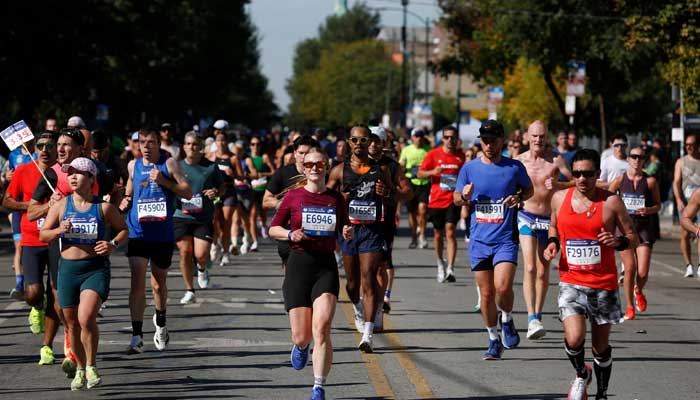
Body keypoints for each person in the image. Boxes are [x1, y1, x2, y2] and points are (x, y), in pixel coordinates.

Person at [543, 149, 638, 400]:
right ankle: (580, 373)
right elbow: (553, 224)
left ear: (597, 174)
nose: (582, 179)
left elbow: (633, 237)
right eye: (577, 174)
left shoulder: (611, 203)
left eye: (587, 174)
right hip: (571, 279)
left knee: (600, 347)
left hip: (603, 284)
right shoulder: (559, 198)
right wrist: (552, 242)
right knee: (574, 339)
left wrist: (617, 243)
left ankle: (602, 393)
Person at [270, 148, 352, 400]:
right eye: (310, 165)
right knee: (302, 334)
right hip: (298, 265)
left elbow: (344, 226)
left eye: (320, 164)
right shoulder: (293, 197)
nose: (315, 168)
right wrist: (290, 234)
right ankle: (300, 346)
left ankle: (318, 386)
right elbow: (273, 228)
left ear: (326, 168)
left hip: (325, 266)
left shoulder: (336, 198)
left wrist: (347, 231)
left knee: (322, 328)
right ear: (304, 169)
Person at [40, 157, 129, 390]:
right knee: (71, 325)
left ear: (91, 178)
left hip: (94, 268)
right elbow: (43, 235)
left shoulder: (104, 207)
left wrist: (112, 245)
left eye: (79, 173)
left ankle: (91, 365)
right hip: (68, 270)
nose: (72, 176)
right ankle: (79, 368)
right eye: (70, 173)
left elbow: (123, 230)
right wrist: (60, 230)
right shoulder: (60, 206)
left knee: (86, 318)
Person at [454, 119, 533, 360]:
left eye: (493, 140)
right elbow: (457, 198)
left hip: (505, 238)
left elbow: (528, 190)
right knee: (486, 294)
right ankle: (492, 338)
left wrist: (518, 196)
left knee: (502, 287)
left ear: (502, 141)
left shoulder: (514, 167)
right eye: (484, 140)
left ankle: (507, 318)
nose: (488, 144)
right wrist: (464, 197)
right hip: (479, 240)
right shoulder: (469, 168)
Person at [120, 128, 192, 354]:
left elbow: (188, 192)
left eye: (151, 142)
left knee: (158, 283)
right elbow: (129, 193)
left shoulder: (168, 164)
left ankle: (160, 323)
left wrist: (165, 182)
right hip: (138, 231)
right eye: (143, 143)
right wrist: (123, 200)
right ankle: (137, 335)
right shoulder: (133, 165)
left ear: (158, 144)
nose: (146, 147)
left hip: (161, 233)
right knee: (137, 280)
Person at [327, 126, 391, 352]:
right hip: (348, 230)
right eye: (355, 139)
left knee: (369, 277)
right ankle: (357, 307)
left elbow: (390, 194)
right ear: (350, 142)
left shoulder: (379, 170)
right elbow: (326, 198)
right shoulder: (338, 171)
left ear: (369, 142)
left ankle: (368, 334)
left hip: (371, 231)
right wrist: (339, 199)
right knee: (352, 284)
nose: (359, 143)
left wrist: (385, 193)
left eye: (364, 139)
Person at [3, 131, 64, 366]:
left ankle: (46, 346)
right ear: (34, 148)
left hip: (58, 239)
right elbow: (6, 201)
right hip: (31, 239)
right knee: (33, 292)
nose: (46, 149)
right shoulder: (23, 171)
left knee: (56, 297)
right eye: (41, 145)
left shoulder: (64, 172)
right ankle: (36, 305)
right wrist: (28, 205)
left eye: (51, 145)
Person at [515, 121, 573, 340]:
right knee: (529, 267)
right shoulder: (519, 161)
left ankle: (537, 314)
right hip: (526, 216)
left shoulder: (556, 159)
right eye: (534, 136)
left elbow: (576, 182)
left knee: (542, 270)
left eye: (542, 136)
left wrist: (558, 186)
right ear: (527, 137)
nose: (538, 140)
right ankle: (531, 318)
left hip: (548, 220)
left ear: (546, 137)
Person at [608, 146, 660, 320]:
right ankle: (630, 306)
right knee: (630, 267)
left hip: (643, 228)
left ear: (644, 160)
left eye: (641, 157)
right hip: (624, 229)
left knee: (643, 272)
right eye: (634, 156)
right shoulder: (619, 180)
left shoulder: (650, 181)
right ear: (628, 159)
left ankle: (639, 289)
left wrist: (649, 209)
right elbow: (607, 201)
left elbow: (658, 205)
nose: (637, 160)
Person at [174, 132, 224, 304]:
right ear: (184, 146)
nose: (191, 147)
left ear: (201, 147)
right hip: (181, 215)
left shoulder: (210, 167)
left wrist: (216, 192)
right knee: (185, 252)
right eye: (188, 144)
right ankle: (190, 289)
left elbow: (222, 186)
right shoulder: (176, 166)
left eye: (195, 144)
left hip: (203, 216)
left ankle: (202, 269)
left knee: (201, 254)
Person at [368, 127, 411, 313]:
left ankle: (378, 304)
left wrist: (389, 192)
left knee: (381, 267)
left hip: (383, 223)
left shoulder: (392, 166)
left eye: (376, 140)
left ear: (383, 143)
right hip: (359, 223)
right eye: (368, 140)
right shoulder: (354, 164)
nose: (371, 144)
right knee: (360, 271)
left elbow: (408, 192)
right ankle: (364, 301)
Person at [418, 125, 465, 282]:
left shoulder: (461, 156)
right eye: (446, 137)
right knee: (438, 235)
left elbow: (467, 176)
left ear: (457, 139)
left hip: (453, 199)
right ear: (442, 139)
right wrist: (433, 172)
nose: (449, 140)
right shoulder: (433, 154)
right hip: (437, 200)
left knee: (450, 231)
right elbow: (419, 173)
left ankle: (450, 268)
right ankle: (440, 263)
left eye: (452, 137)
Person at [263, 135, 318, 268]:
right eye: (301, 153)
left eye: (308, 153)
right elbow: (266, 200)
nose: (304, 156)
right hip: (289, 231)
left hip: (315, 232)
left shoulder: (321, 174)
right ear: (294, 153)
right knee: (293, 277)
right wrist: (281, 204)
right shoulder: (283, 173)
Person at [5, 138, 37, 300]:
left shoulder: (37, 155)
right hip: (18, 208)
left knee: (31, 247)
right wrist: (7, 176)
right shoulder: (13, 155)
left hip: (36, 207)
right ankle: (19, 284)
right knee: (19, 247)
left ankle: (37, 285)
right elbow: (8, 177)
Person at [208, 130, 243, 263]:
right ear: (215, 142)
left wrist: (232, 173)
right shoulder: (210, 156)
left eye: (223, 140)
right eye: (218, 140)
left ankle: (226, 252)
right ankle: (214, 245)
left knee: (225, 223)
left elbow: (241, 176)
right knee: (213, 221)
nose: (221, 143)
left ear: (227, 142)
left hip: (228, 191)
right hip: (215, 191)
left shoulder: (233, 158)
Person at [673, 133, 700, 277]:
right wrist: (678, 199)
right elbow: (676, 182)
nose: (688, 147)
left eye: (691, 144)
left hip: (699, 202)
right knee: (685, 233)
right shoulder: (681, 162)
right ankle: (689, 265)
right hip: (686, 202)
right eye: (686, 144)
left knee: (699, 232)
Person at [399, 129, 431, 249]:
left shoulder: (428, 150)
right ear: (412, 138)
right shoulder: (406, 150)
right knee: (412, 213)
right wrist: (402, 165)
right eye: (416, 136)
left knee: (422, 210)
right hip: (410, 182)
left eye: (421, 136)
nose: (419, 138)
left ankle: (422, 235)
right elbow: (401, 164)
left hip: (424, 183)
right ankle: (413, 237)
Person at [250, 136, 276, 240]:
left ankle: (264, 226)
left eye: (257, 144)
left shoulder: (264, 157)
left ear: (260, 146)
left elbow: (273, 172)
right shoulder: (247, 158)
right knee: (252, 214)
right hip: (251, 189)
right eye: (253, 144)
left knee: (263, 212)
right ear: (250, 146)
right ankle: (254, 239)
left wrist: (262, 174)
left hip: (262, 188)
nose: (255, 146)